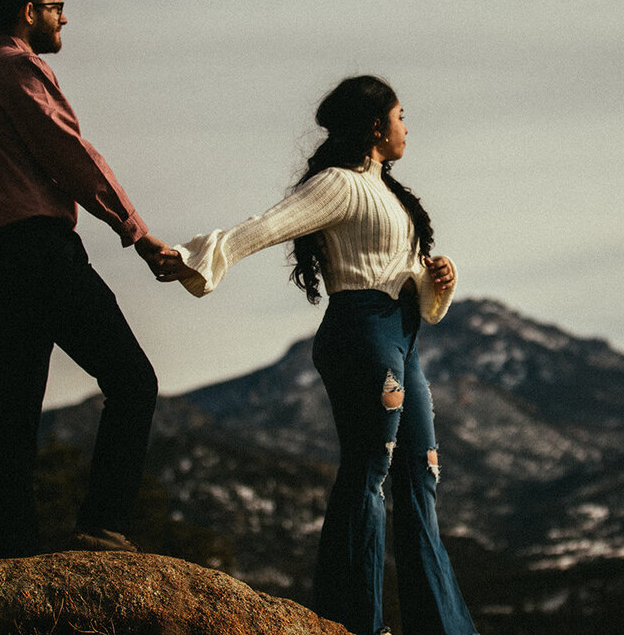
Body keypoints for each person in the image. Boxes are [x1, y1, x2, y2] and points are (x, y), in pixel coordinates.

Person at [170, 76, 478, 635]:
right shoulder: (338, 183)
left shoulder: (391, 193)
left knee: (421, 472)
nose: (408, 126)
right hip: (362, 332)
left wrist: (438, 279)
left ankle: (443, 626)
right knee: (370, 469)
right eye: (401, 115)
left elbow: (415, 293)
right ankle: (354, 621)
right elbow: (268, 226)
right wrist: (198, 257)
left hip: (402, 335)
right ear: (375, 126)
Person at [0, 0, 191, 558]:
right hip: (39, 252)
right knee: (132, 381)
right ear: (29, 12)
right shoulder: (17, 70)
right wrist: (137, 230)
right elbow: (70, 152)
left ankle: (10, 549)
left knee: (14, 409)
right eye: (56, 6)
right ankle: (101, 526)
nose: (64, 16)